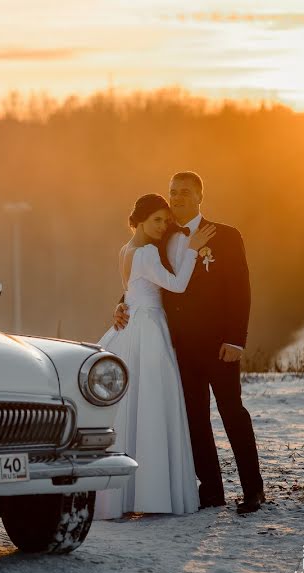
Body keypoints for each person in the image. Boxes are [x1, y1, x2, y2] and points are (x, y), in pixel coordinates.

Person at [113, 172, 266, 515]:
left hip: (219, 345)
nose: (177, 197)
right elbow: (140, 277)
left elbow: (240, 290)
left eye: (185, 192)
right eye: (173, 192)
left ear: (200, 196)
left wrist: (235, 339)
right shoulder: (159, 235)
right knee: (194, 419)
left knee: (232, 413)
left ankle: (253, 490)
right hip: (177, 346)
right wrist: (121, 304)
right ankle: (211, 490)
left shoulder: (225, 236)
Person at [94, 193, 214, 519]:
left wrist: (119, 306)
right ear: (141, 220)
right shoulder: (146, 252)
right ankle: (152, 494)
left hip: (131, 325)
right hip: (147, 327)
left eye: (165, 220)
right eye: (157, 220)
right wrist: (191, 251)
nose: (163, 226)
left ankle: (126, 494)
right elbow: (176, 285)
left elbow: (131, 290)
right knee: (152, 405)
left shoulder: (126, 249)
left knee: (132, 408)